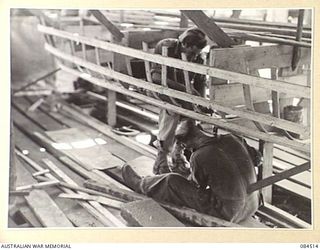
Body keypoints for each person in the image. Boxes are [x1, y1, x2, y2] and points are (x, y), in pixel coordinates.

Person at [122, 119, 262, 223]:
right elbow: (256, 158)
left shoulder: (200, 155)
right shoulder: (234, 138)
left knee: (170, 181)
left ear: (186, 144)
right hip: (252, 205)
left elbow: (195, 187)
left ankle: (140, 184)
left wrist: (181, 174)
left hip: (229, 213)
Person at [150, 27, 208, 175]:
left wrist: (200, 103)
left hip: (183, 92)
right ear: (185, 45)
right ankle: (161, 157)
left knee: (192, 117)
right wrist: (188, 91)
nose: (194, 58)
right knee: (173, 110)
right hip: (160, 87)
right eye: (192, 53)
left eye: (197, 54)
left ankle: (178, 153)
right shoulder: (166, 48)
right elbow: (157, 78)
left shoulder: (199, 57)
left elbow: (200, 83)